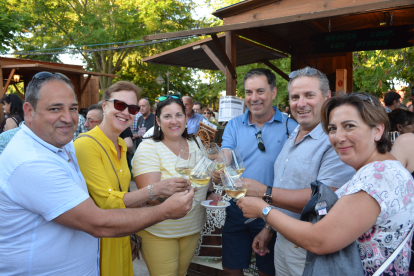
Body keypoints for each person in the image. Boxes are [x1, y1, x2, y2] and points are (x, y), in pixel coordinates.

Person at [0, 72, 194, 275]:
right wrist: (162, 205)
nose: (67, 117)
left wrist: (153, 194)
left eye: (73, 108)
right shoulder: (35, 160)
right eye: (55, 108)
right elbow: (101, 214)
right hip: (104, 240)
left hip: (113, 242)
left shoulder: (65, 146)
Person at [238, 92, 414, 276]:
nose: (338, 137)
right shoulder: (383, 168)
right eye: (332, 129)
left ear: (377, 130)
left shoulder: (378, 177)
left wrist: (263, 210)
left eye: (349, 126)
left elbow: (319, 240)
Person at [241, 67, 355, 276]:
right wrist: (269, 228)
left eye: (309, 95)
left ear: (327, 96)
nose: (300, 104)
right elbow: (289, 183)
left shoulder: (336, 140)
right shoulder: (295, 131)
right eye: (295, 97)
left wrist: (263, 193)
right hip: (283, 240)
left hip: (310, 248)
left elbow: (326, 197)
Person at [216, 68, 298, 276]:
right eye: (249, 92)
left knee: (268, 271)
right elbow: (226, 153)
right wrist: (219, 167)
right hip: (238, 207)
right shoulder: (234, 124)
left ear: (273, 92)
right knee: (231, 268)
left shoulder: (291, 127)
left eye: (260, 91)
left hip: (275, 210)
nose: (254, 98)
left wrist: (270, 225)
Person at [132, 95, 221, 276]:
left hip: (192, 227)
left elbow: (204, 173)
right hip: (160, 231)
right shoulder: (149, 148)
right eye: (167, 116)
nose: (174, 121)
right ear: (158, 120)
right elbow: (151, 197)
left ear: (185, 117)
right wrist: (184, 195)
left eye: (179, 115)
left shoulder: (195, 142)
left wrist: (210, 191)